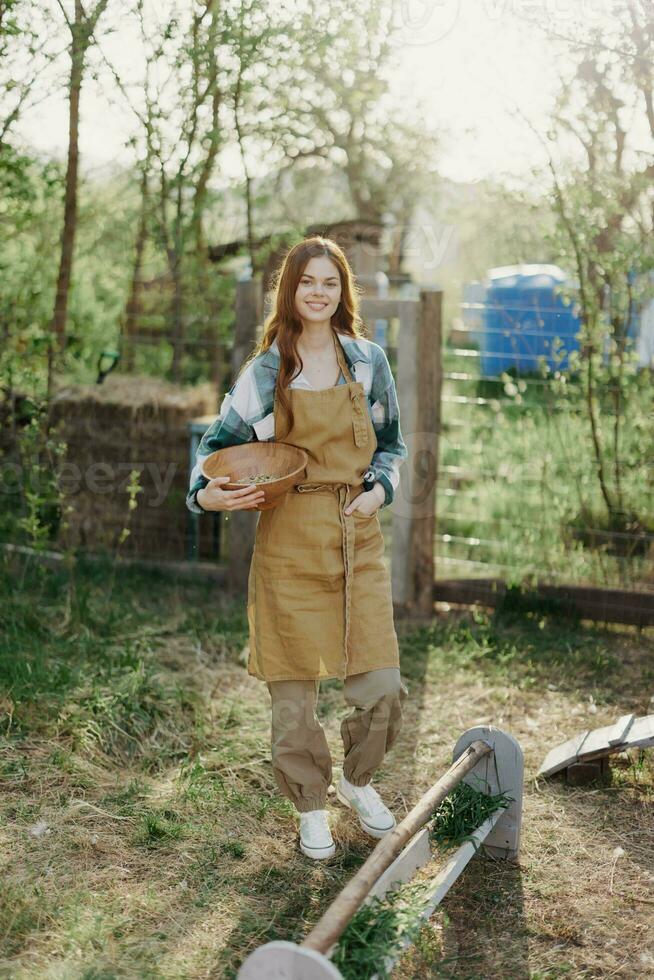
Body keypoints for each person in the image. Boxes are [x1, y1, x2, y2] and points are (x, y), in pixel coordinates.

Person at [186, 236, 409, 860]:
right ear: (290, 290)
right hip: (287, 537)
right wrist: (206, 497)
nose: (318, 292)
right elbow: (214, 452)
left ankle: (356, 780)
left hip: (354, 530)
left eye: (330, 283)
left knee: (383, 682)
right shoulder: (267, 371)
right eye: (307, 282)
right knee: (292, 694)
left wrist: (380, 490)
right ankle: (310, 805)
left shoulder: (368, 362)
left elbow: (392, 444)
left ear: (343, 292)